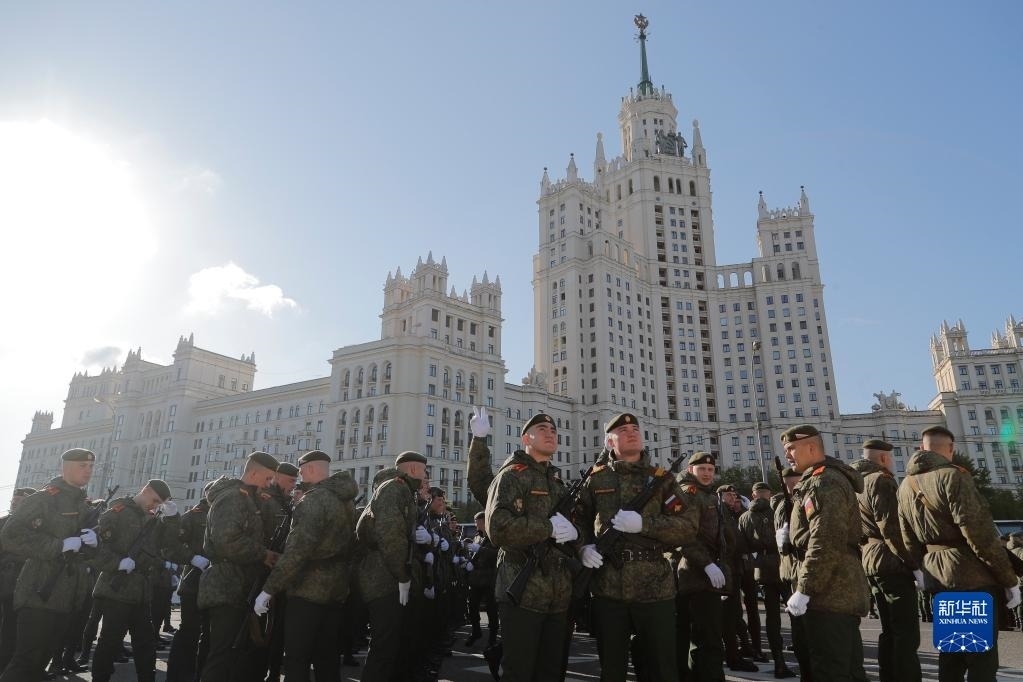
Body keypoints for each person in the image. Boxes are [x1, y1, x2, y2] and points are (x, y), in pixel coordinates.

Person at [574, 412, 697, 682]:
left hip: (655, 588)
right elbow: (577, 522)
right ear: (610, 442)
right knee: (612, 670)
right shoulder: (596, 479)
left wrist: (645, 525)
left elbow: (688, 526)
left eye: (635, 429)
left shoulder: (661, 479)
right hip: (608, 587)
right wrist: (583, 548)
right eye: (623, 430)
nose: (631, 433)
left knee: (661, 669)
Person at [897, 425, 1021, 682]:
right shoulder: (954, 476)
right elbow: (980, 535)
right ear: (951, 448)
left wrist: (921, 570)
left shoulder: (906, 486)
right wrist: (1009, 580)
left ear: (921, 448)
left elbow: (907, 538)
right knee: (980, 657)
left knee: (952, 654)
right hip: (971, 577)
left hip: (938, 576)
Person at [485, 412, 581, 682]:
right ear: (526, 439)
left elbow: (574, 526)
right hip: (523, 592)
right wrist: (547, 528)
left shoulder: (558, 483)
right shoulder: (512, 476)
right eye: (542, 429)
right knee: (519, 671)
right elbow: (498, 528)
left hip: (558, 595)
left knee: (550, 672)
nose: (550, 433)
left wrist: (577, 536)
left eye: (553, 430)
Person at [253, 450, 358, 682]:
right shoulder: (346, 501)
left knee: (296, 659)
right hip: (337, 589)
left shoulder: (313, 500)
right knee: (327, 659)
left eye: (301, 471)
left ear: (310, 468)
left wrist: (268, 590)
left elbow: (297, 552)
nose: (300, 476)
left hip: (307, 591)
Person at [776, 424, 870, 682]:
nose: (787, 455)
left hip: (830, 592)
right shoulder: (818, 479)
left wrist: (805, 588)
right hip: (834, 590)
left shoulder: (823, 481)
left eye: (791, 448)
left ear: (811, 447)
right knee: (848, 672)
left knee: (832, 671)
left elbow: (826, 539)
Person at [0, 448, 97, 682]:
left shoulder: (84, 505)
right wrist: (59, 545)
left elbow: (84, 553)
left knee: (39, 665)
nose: (88, 471)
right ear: (66, 467)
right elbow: (11, 535)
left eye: (91, 466)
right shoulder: (44, 498)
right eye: (82, 466)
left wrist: (95, 544)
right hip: (38, 592)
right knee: (25, 663)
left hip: (67, 596)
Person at [197, 450, 281, 682]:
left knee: (235, 656)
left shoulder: (249, 498)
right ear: (253, 473)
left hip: (236, 584)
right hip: (225, 586)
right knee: (222, 655)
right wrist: (263, 554)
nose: (270, 483)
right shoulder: (233, 498)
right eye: (267, 478)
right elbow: (226, 541)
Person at [89, 479, 180, 682]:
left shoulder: (153, 520)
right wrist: (118, 563)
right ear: (145, 490)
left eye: (159, 504)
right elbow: (96, 549)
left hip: (141, 591)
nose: (155, 506)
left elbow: (169, 543)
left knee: (146, 643)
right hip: (116, 590)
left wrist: (173, 518)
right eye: (154, 500)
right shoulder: (117, 512)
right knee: (110, 641)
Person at [850, 438, 922, 682]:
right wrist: (913, 564)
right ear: (883, 458)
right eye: (890, 458)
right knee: (905, 633)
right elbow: (891, 528)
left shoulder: (856, 483)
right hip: (891, 561)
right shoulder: (881, 480)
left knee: (889, 631)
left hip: (870, 558)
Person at [356, 450, 430, 681]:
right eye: (424, 470)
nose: (425, 475)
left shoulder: (403, 490)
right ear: (413, 469)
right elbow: (391, 537)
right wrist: (403, 576)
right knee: (384, 648)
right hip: (384, 581)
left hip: (389, 578)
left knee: (396, 647)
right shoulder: (394, 488)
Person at [675, 452, 730, 682]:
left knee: (705, 638)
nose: (707, 473)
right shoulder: (689, 493)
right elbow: (683, 535)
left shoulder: (707, 494)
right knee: (708, 640)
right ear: (690, 470)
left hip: (708, 575)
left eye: (710, 469)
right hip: (695, 575)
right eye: (702, 469)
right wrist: (707, 565)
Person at [739, 482, 796, 678]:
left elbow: (742, 547)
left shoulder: (744, 517)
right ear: (768, 494)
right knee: (795, 613)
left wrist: (756, 559)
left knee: (772, 618)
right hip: (782, 565)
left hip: (761, 570)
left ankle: (779, 661)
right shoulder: (776, 512)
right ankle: (801, 655)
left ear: (753, 495)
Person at [166, 481, 213, 682]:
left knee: (209, 634)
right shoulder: (192, 517)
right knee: (189, 631)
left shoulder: (225, 514)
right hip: (193, 582)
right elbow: (171, 547)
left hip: (215, 586)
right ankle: (177, 675)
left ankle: (199, 674)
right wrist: (192, 558)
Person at [717, 484, 759, 673]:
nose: (732, 498)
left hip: (735, 569)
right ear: (720, 496)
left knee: (734, 614)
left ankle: (739, 650)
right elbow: (732, 541)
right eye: (728, 495)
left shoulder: (732, 513)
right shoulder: (721, 512)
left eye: (734, 495)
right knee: (729, 615)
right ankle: (732, 656)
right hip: (727, 569)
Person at [0, 487, 34, 672]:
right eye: (13, 501)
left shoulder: (35, 526)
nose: (14, 504)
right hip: (5, 581)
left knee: (14, 629)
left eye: (19, 502)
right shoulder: (3, 522)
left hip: (23, 585)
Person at [465, 510, 499, 648]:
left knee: (492, 609)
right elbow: (474, 556)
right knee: (472, 606)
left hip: (490, 578)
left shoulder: (494, 537)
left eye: (479, 523)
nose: (477, 526)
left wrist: (480, 550)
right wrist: (469, 563)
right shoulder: (477, 536)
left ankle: (492, 638)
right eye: (476, 523)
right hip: (476, 579)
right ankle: (476, 631)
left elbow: (497, 554)